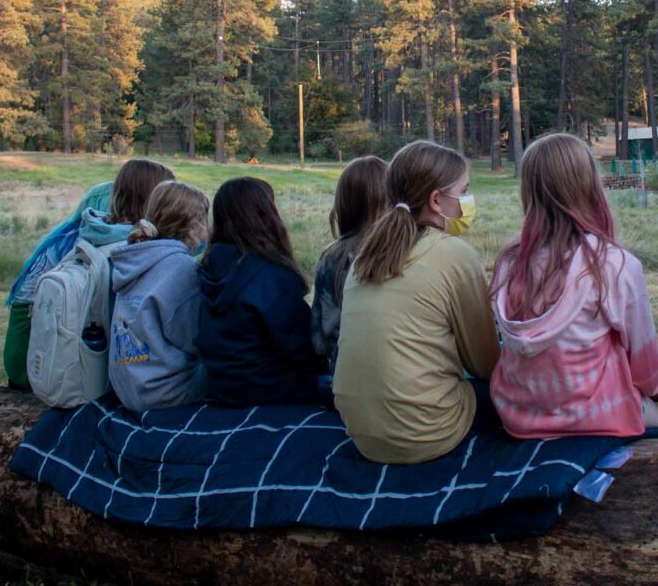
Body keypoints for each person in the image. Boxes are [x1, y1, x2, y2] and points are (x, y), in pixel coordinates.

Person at [489, 133, 658, 439]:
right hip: (597, 416)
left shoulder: (509, 264)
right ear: (589, 187)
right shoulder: (614, 264)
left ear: (529, 191)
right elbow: (646, 368)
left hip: (519, 415)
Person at [334, 140, 500, 464]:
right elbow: (485, 364)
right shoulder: (455, 254)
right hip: (428, 433)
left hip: (361, 434)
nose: (468, 201)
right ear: (437, 200)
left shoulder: (365, 256)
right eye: (464, 191)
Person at [2, 158, 175, 389]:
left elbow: (23, 303)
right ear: (152, 200)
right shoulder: (132, 244)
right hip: (61, 368)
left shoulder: (75, 234)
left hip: (31, 362)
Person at [195, 177, 323, 406]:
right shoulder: (270, 275)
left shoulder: (209, 264)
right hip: (268, 388)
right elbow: (300, 347)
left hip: (222, 386)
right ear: (265, 215)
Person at [108, 181, 212, 413]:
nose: (208, 228)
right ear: (192, 225)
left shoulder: (134, 259)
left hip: (127, 389)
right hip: (165, 393)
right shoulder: (182, 269)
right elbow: (195, 339)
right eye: (205, 220)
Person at [311, 155, 389, 371]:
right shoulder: (412, 251)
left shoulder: (332, 259)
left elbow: (321, 340)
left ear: (344, 202)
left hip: (347, 378)